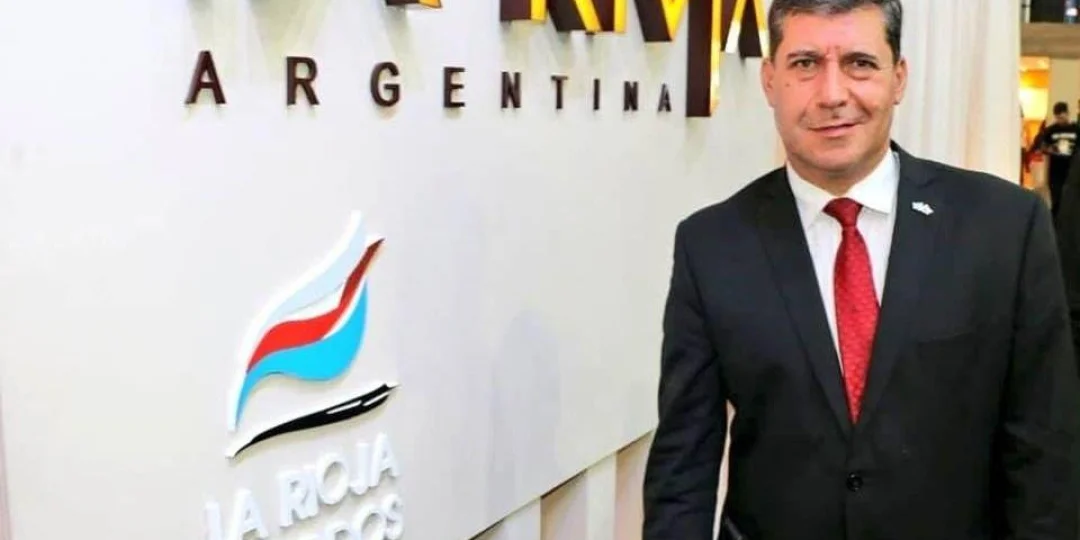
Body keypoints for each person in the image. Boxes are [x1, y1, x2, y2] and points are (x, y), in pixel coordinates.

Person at [641, 1, 1080, 539]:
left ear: (899, 78)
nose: (832, 94)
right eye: (805, 63)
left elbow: (1045, 451)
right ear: (770, 81)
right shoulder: (711, 245)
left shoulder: (1004, 228)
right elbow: (682, 468)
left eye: (859, 63)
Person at [1032, 101, 1079, 220]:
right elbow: (1039, 144)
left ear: (1067, 114)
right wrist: (1049, 149)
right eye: (1058, 118)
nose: (1060, 121)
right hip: (1055, 171)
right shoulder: (1051, 130)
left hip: (1072, 170)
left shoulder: (1076, 129)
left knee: (1070, 200)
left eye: (1062, 117)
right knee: (1056, 199)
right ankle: (1055, 223)